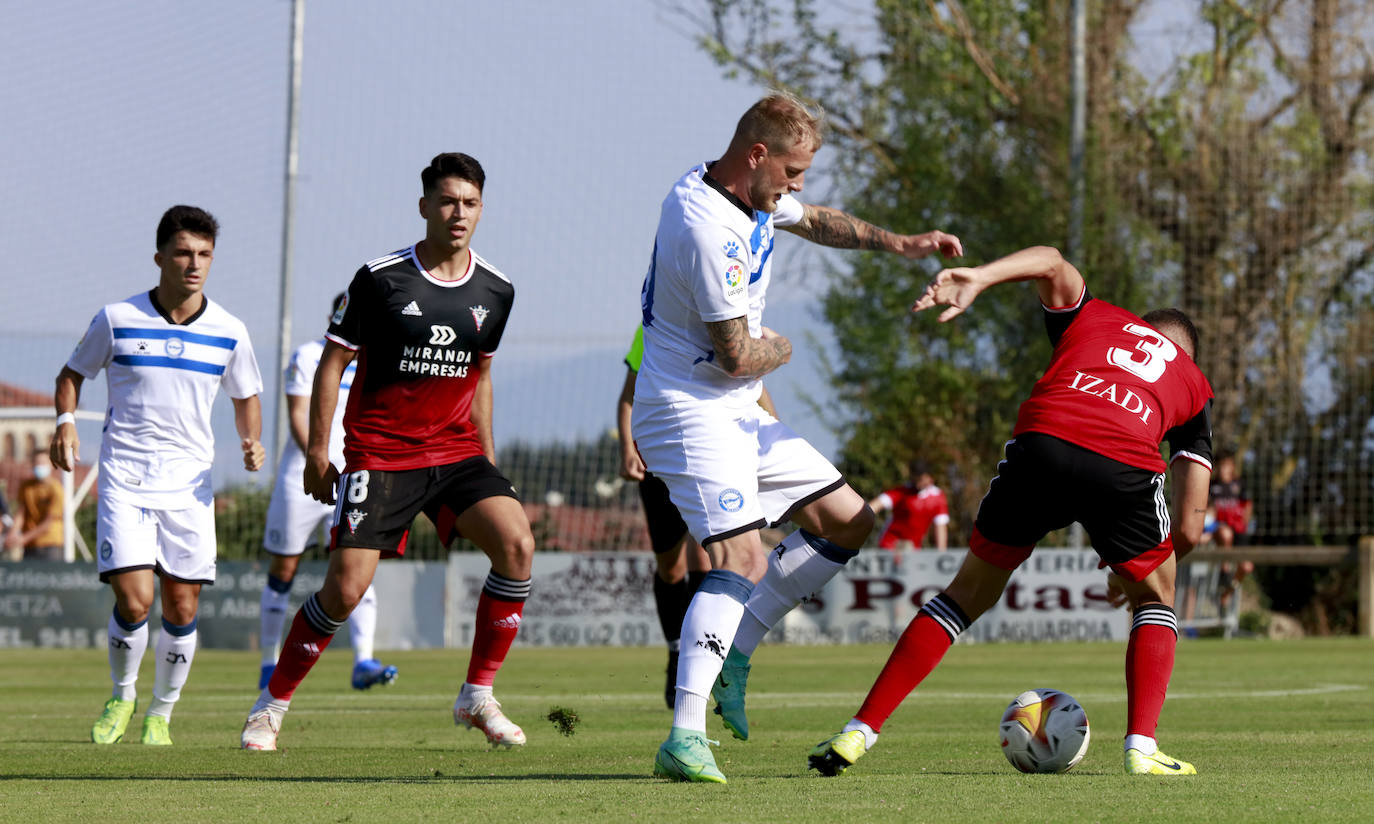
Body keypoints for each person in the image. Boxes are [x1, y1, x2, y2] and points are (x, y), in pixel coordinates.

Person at [634, 91, 962, 783]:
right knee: (740, 557)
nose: (798, 185)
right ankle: (683, 736)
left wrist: (896, 243)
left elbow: (813, 220)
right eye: (792, 170)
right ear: (757, 155)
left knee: (849, 520)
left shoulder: (746, 193)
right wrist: (780, 349)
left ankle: (739, 651)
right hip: (687, 409)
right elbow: (736, 356)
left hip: (734, 409)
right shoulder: (706, 227)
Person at [808, 246, 1214, 778]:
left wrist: (979, 277)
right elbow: (1189, 523)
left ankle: (859, 731)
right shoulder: (1193, 384)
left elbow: (1049, 259)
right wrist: (1141, 573)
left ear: (1135, 327)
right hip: (1121, 461)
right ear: (1187, 355)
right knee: (1157, 599)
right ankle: (1141, 746)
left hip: (1042, 440)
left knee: (964, 596)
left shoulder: (1097, 317)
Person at [241, 153, 534, 753]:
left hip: (456, 453)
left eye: (470, 203)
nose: (459, 214)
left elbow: (480, 378)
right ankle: (269, 707)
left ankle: (478, 695)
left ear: (483, 209)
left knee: (518, 545)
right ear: (425, 205)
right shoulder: (381, 278)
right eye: (448, 201)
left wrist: (490, 461)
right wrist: (320, 454)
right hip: (381, 454)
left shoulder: (497, 290)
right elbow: (333, 362)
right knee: (345, 591)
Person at [52, 205, 265, 747]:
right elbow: (72, 374)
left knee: (183, 606)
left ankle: (160, 714)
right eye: (184, 253)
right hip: (124, 477)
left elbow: (246, 395)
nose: (195, 264)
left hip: (190, 486)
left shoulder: (229, 330)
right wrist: (65, 423)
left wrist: (251, 439)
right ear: (160, 257)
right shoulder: (117, 318)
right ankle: (122, 697)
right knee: (135, 601)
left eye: (204, 255)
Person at [257, 294, 397, 692]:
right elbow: (298, 415)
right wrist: (319, 463)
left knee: (358, 568)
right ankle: (269, 663)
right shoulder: (308, 356)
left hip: (355, 477)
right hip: (305, 476)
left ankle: (363, 660)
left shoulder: (380, 361)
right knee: (284, 571)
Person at [618, 325, 712, 709]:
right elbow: (628, 397)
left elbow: (754, 390)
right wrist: (627, 446)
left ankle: (703, 656)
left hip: (706, 454)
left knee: (708, 555)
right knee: (671, 569)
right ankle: (676, 652)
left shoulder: (725, 317)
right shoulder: (651, 327)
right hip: (657, 457)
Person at [867, 460, 949, 552]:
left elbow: (940, 527)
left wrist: (941, 555)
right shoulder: (902, 492)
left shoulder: (938, 498)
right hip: (888, 546)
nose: (918, 484)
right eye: (915, 480)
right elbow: (873, 506)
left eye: (921, 480)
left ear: (930, 477)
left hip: (913, 550)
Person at [1208, 451, 1253, 603]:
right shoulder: (1211, 485)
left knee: (1246, 567)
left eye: (1226, 465)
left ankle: (1227, 593)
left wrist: (1243, 524)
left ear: (1232, 467)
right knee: (1225, 533)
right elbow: (1208, 510)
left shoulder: (1239, 484)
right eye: (1220, 465)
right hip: (1219, 529)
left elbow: (1248, 506)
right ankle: (1224, 570)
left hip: (1239, 530)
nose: (1223, 469)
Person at [9, 450, 65, 561]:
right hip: (29, 546)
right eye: (36, 463)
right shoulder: (26, 487)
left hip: (50, 546)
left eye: (43, 463)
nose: (39, 466)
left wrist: (24, 538)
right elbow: (21, 514)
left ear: (51, 465)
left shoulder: (56, 489)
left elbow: (48, 522)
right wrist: (12, 534)